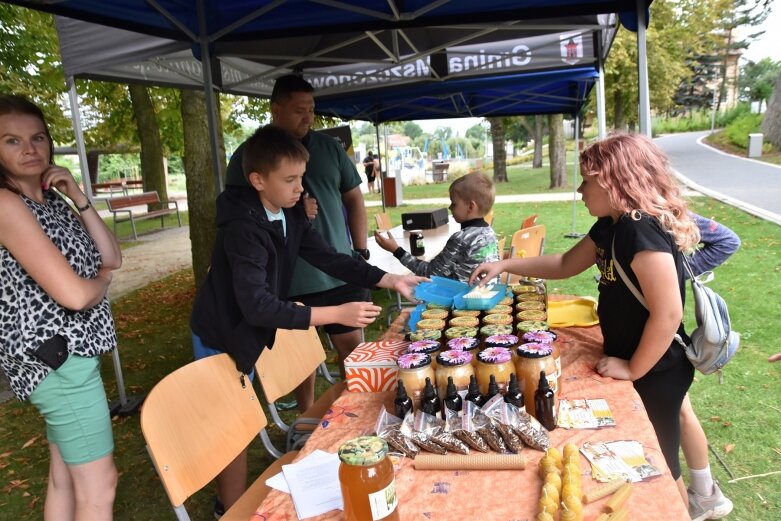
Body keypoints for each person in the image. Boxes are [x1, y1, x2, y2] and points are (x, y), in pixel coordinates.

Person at [191, 124, 425, 515]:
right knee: (229, 430)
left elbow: (329, 256)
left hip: (248, 327)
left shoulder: (289, 212)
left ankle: (231, 502)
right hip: (220, 331)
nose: (302, 188)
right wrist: (335, 313)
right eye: (291, 180)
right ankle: (227, 508)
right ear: (257, 180)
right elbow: (257, 305)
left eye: (301, 177)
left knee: (240, 421)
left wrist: (389, 278)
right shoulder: (242, 229)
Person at [470, 133, 698, 508]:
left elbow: (669, 312)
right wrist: (505, 264)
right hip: (636, 359)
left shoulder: (638, 229)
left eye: (587, 181)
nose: (579, 190)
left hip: (658, 368)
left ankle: (679, 510)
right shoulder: (611, 226)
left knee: (662, 461)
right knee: (651, 456)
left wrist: (634, 368)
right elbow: (563, 264)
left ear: (614, 182)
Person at [0, 94, 122, 520]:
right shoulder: (6, 204)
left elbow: (111, 256)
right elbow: (73, 294)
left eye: (37, 137)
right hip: (56, 361)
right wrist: (102, 283)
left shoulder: (51, 202)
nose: (29, 149)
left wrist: (78, 196)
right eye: (11, 141)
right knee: (100, 485)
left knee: (65, 476)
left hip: (68, 357)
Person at [225, 74, 371, 383]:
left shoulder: (329, 149)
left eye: (311, 109)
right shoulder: (247, 157)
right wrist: (295, 214)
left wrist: (360, 251)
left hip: (336, 270)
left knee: (354, 355)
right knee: (298, 362)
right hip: (287, 281)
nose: (308, 117)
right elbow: (247, 213)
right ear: (276, 110)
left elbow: (354, 198)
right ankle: (306, 416)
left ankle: (355, 403)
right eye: (298, 109)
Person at [679, 212, 739, 520]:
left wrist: (681, 271)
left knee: (678, 410)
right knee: (679, 409)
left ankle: (704, 495)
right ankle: (705, 492)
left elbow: (727, 241)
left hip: (661, 334)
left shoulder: (665, 211)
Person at [374, 170, 500, 283]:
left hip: (464, 303)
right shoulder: (490, 233)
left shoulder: (461, 239)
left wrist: (396, 250)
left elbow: (429, 273)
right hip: (487, 297)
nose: (450, 208)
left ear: (470, 207)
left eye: (454, 203)